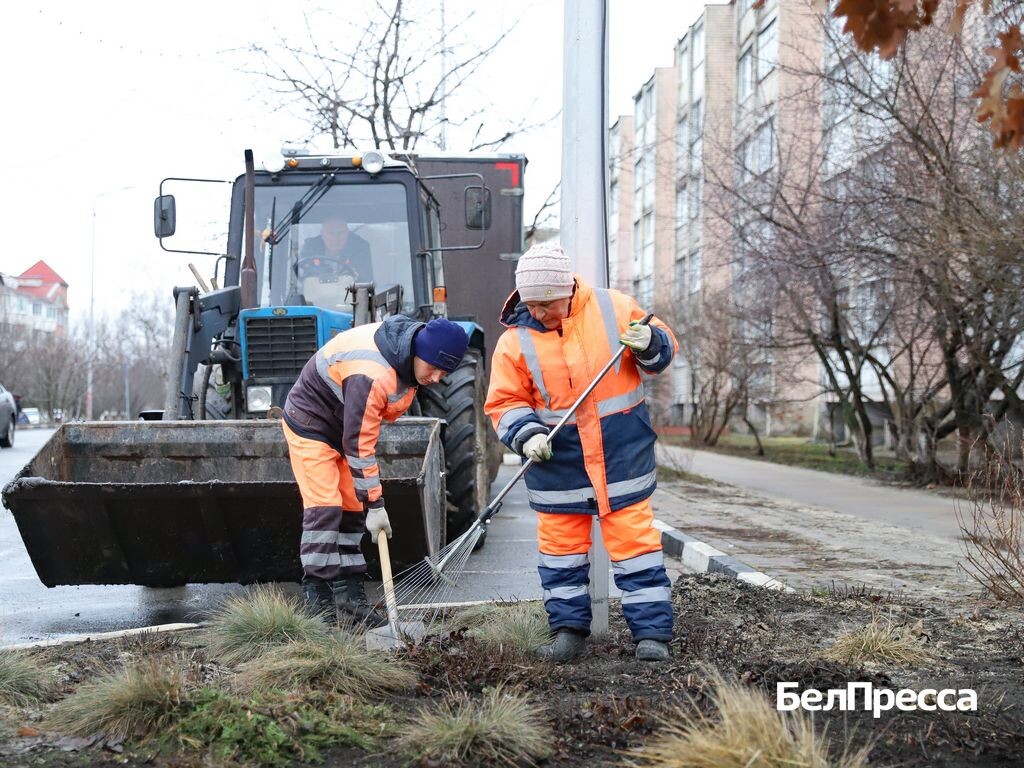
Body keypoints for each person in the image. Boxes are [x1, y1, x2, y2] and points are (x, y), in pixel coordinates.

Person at [485, 241, 678, 662]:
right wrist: (527, 434)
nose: (538, 313)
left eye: (546, 303)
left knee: (635, 548)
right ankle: (568, 634)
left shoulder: (615, 307)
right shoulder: (514, 341)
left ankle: (651, 637)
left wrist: (649, 342)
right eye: (531, 304)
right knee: (560, 556)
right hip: (558, 463)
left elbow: (662, 354)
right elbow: (504, 402)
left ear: (567, 290)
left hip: (619, 455)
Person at [282, 315, 469, 625]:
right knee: (326, 508)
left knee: (352, 509)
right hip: (311, 424)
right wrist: (377, 504)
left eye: (444, 372)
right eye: (434, 368)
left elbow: (359, 436)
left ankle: (350, 598)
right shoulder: (372, 373)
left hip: (343, 426)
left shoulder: (407, 360)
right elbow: (358, 445)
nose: (437, 378)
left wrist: (366, 503)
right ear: (418, 353)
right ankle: (318, 602)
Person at [298, 214, 374, 283]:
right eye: (331, 233)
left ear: (348, 234)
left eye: (340, 233)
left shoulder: (360, 249)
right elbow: (301, 278)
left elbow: (365, 280)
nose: (335, 239)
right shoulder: (310, 248)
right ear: (322, 234)